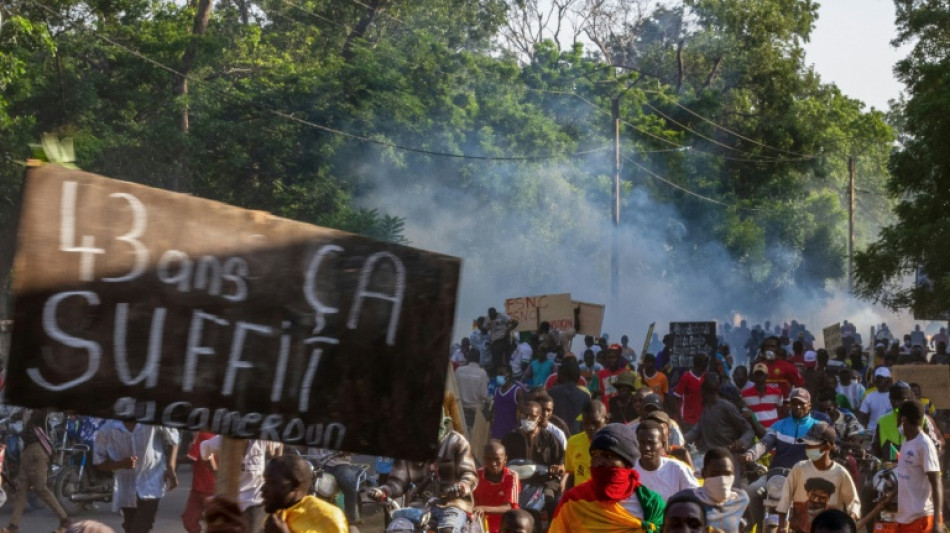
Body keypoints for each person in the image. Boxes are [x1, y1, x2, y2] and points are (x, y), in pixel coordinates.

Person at [371, 414, 478, 533]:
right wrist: (384, 491)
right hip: (420, 505)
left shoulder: (457, 442)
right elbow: (398, 481)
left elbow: (469, 474)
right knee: (397, 528)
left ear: (442, 425)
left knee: (448, 530)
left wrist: (462, 486)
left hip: (453, 504)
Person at [548, 424, 665, 533]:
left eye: (607, 456)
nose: (598, 462)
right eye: (594, 455)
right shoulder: (573, 501)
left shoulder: (651, 504)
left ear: (626, 462)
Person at [741, 388, 822, 532]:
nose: (797, 406)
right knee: (752, 490)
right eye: (794, 403)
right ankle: (760, 526)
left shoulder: (817, 427)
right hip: (776, 476)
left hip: (804, 479)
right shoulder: (779, 425)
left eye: (801, 403)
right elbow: (764, 443)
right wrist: (750, 454)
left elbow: (826, 449)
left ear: (809, 405)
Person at [93, 421, 179, 533]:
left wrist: (171, 467)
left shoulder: (152, 422)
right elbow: (99, 461)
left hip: (151, 483)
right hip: (126, 487)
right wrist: (120, 464)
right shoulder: (107, 429)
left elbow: (174, 440)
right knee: (130, 527)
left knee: (141, 527)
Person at [776, 422, 860, 533]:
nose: (808, 448)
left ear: (827, 446)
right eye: (807, 445)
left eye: (812, 446)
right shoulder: (799, 468)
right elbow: (785, 499)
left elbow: (853, 503)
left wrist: (850, 521)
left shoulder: (840, 473)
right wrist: (782, 526)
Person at [1, 409, 72, 533]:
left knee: (40, 488)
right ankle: (13, 526)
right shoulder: (27, 411)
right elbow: (15, 416)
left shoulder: (41, 411)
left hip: (37, 452)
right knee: (21, 490)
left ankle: (65, 521)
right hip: (27, 451)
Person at [201, 437, 282, 532]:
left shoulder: (261, 440)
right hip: (230, 501)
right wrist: (215, 471)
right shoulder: (224, 440)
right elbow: (204, 449)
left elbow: (279, 443)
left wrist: (277, 462)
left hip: (254, 502)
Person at [502, 402, 563, 520]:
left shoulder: (549, 438)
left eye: (532, 416)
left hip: (544, 481)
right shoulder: (510, 438)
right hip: (516, 481)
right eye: (525, 415)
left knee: (551, 502)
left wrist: (557, 469)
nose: (528, 419)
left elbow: (561, 463)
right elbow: (502, 462)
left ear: (539, 418)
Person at [261, 454, 348, 533]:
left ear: (294, 485)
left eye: (271, 482)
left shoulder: (328, 518)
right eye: (265, 481)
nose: (263, 489)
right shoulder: (277, 517)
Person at [894, 400, 943, 533]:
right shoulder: (906, 443)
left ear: (903, 419)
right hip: (905, 520)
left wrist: (937, 523)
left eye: (898, 418)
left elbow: (936, 482)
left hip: (922, 521)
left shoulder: (924, 444)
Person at [684, 375, 754, 457]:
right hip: (709, 457)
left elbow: (748, 430)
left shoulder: (726, 406)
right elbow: (696, 431)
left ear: (703, 392)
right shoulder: (706, 409)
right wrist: (679, 439)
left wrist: (742, 442)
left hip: (728, 456)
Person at [634, 420, 700, 500]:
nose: (646, 448)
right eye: (642, 443)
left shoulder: (678, 468)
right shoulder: (630, 473)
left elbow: (696, 498)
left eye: (651, 443)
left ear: (663, 443)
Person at [690, 447, 750, 533]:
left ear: (734, 474)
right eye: (715, 474)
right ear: (704, 473)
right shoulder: (691, 501)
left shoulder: (740, 499)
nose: (722, 480)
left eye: (727, 474)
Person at [474, 441, 520, 533]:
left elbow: (509, 507)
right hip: (479, 521)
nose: (493, 463)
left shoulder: (511, 476)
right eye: (489, 459)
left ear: (505, 459)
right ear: (484, 459)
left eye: (497, 459)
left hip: (504, 524)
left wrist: (483, 508)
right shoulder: (476, 475)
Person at [564, 400, 607, 490]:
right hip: (581, 501)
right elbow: (572, 476)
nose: (590, 427)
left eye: (595, 423)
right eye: (586, 423)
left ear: (606, 419)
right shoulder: (573, 442)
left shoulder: (615, 443)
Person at [182, 431, 217, 533]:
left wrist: (171, 461)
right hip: (200, 486)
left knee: (191, 520)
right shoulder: (213, 436)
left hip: (207, 486)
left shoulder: (203, 434)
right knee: (190, 520)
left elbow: (192, 457)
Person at [547, 359, 591, 435]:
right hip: (576, 438)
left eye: (559, 374)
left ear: (564, 376)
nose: (557, 377)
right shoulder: (584, 396)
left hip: (555, 436)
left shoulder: (552, 392)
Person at [742, 362, 785, 428]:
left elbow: (780, 409)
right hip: (755, 432)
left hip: (772, 431)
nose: (759, 376)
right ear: (753, 376)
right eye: (757, 374)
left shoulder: (777, 392)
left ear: (766, 376)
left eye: (762, 374)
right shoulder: (745, 395)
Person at [671, 353, 708, 431]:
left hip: (700, 421)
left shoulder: (705, 377)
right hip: (687, 421)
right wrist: (680, 420)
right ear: (697, 365)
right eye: (704, 365)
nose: (706, 367)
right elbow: (675, 399)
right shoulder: (686, 377)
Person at [457, 349, 491, 430]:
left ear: (468, 358)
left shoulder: (458, 370)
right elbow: (484, 395)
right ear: (479, 359)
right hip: (476, 412)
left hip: (460, 409)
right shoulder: (482, 373)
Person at [491, 366, 525, 440]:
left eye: (501, 374)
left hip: (510, 433)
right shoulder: (496, 391)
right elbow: (493, 411)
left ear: (508, 375)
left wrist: (516, 429)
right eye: (497, 374)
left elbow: (523, 413)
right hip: (496, 433)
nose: (498, 376)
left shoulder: (517, 391)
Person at [858, 366, 894, 433]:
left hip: (889, 432)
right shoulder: (869, 396)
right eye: (878, 378)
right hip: (872, 432)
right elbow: (861, 416)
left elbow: (898, 411)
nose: (879, 380)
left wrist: (896, 411)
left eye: (882, 378)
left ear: (889, 380)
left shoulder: (895, 396)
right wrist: (862, 430)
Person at [488, 307, 518, 375]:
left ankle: (508, 376)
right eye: (491, 317)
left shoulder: (503, 316)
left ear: (495, 313)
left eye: (493, 316)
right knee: (496, 364)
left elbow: (515, 322)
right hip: (494, 344)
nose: (492, 318)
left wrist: (508, 330)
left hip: (503, 341)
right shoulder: (488, 319)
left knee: (507, 362)